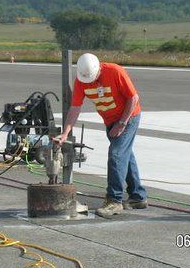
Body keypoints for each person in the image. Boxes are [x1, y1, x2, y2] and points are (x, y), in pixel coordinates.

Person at [55, 53, 147, 217]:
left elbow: (133, 98)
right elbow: (75, 108)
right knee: (125, 156)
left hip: (129, 116)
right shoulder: (81, 80)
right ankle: (138, 196)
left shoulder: (115, 71)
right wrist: (65, 133)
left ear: (98, 69)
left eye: (92, 78)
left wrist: (122, 123)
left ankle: (114, 200)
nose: (89, 82)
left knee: (116, 155)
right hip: (110, 120)